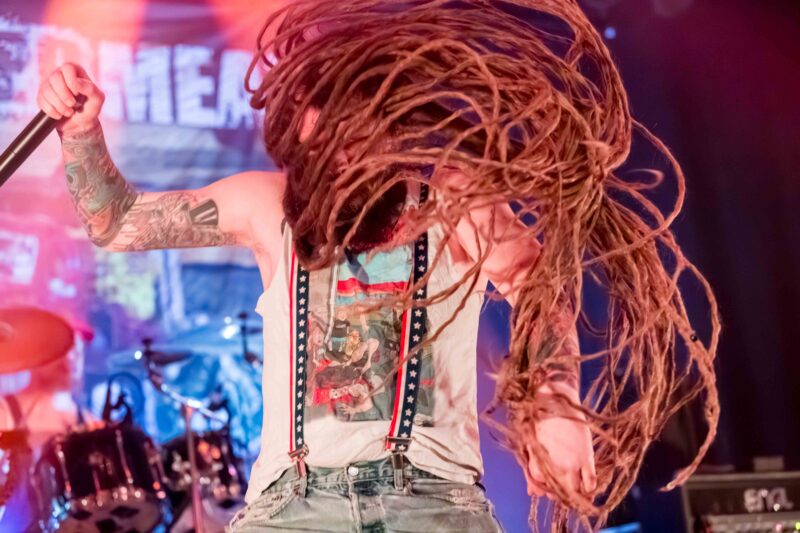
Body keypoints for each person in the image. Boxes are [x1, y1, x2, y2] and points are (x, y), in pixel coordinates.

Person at [36, 0, 719, 530]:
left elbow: (539, 285)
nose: (332, 145)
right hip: (291, 506)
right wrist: (82, 132)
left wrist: (555, 404)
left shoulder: (453, 198)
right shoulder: (265, 204)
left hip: (432, 501)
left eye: (348, 120)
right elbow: (118, 222)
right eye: (312, 124)